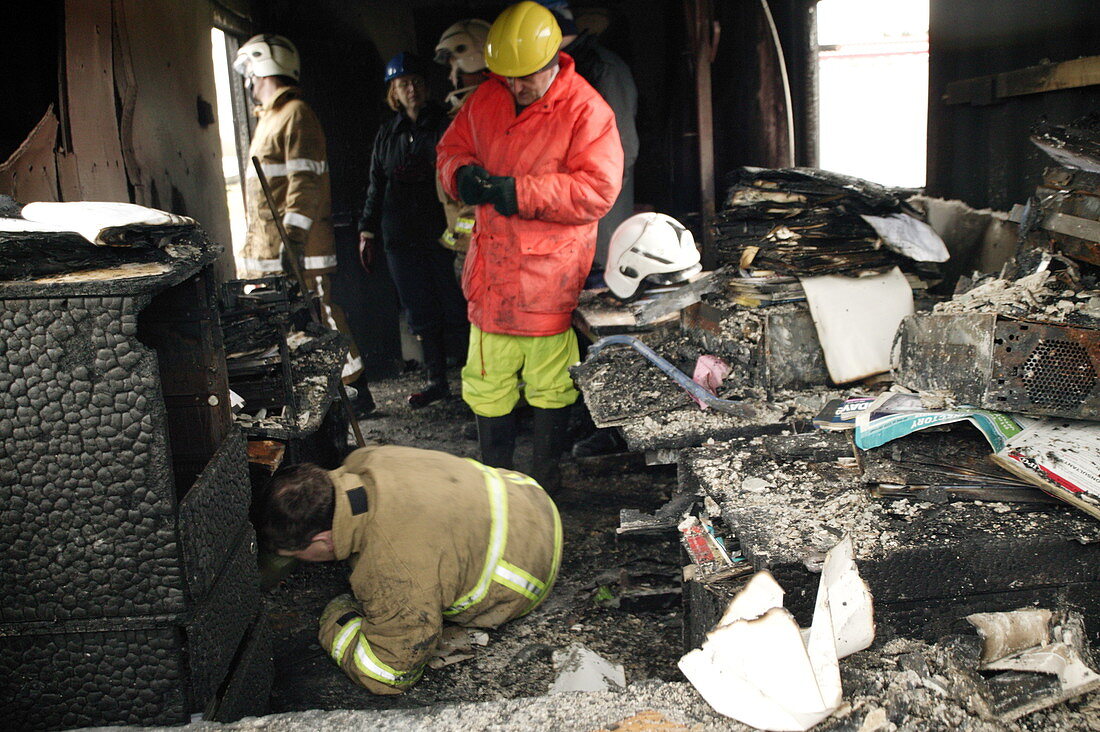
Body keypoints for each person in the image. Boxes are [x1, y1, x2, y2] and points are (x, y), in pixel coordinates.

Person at [436, 1, 624, 491]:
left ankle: (544, 482)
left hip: (548, 277)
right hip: (491, 274)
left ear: (551, 61)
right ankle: (496, 485)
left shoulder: (587, 110)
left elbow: (597, 191)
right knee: (486, 383)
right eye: (506, 76)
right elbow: (450, 150)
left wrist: (519, 192)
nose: (514, 86)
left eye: (524, 77)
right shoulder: (486, 99)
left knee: (550, 385)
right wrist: (461, 174)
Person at [256, 446, 562, 694]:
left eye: (297, 554)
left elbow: (387, 672)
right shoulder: (364, 461)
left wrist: (337, 618)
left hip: (530, 567)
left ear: (323, 540)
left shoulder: (395, 571)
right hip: (527, 497)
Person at [233, 34, 374, 415]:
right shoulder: (271, 119)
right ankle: (331, 396)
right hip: (273, 248)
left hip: (301, 248)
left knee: (322, 315)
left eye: (251, 73)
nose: (248, 83)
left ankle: (355, 392)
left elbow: (305, 181)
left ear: (264, 69)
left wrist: (293, 238)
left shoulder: (295, 114)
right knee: (302, 323)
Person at [358, 53, 469, 408]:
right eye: (403, 83)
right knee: (418, 308)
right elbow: (376, 184)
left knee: (456, 302)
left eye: (417, 82)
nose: (411, 89)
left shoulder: (445, 123)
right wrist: (367, 232)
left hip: (440, 230)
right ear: (393, 91)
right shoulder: (387, 133)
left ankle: (475, 380)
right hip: (399, 234)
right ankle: (436, 380)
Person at [542, 0, 639, 286]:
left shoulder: (603, 68)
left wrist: (584, 204)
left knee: (596, 298)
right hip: (564, 223)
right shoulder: (557, 68)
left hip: (597, 224)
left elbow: (623, 151)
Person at [433, 19, 492, 276]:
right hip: (472, 243)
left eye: (453, 65)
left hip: (481, 245)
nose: (451, 75)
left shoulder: (485, 109)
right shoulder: (470, 109)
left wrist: (467, 242)